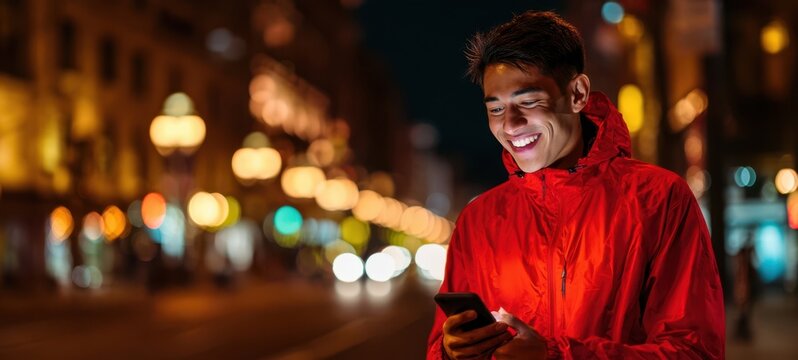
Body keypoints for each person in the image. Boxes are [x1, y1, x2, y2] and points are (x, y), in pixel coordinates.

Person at [426, 11, 725, 359]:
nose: (510, 125)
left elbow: (694, 350)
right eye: (495, 109)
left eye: (528, 102)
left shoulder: (658, 198)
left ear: (578, 94)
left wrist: (554, 356)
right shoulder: (479, 219)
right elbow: (438, 348)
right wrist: (451, 350)